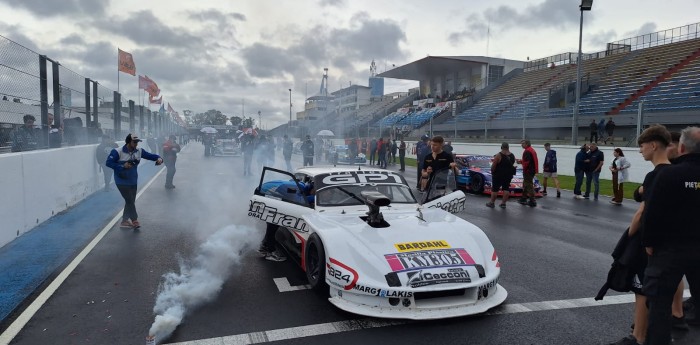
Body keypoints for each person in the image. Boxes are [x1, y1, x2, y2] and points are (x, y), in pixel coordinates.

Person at [606, 125, 673, 345]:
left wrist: (630, 234)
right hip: (671, 243)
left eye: (642, 146)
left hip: (649, 242)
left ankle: (639, 337)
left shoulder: (655, 175)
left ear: (654, 145)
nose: (641, 150)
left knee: (641, 289)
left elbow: (642, 212)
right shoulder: (675, 172)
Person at [639, 127, 700, 345]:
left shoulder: (669, 174)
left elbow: (653, 213)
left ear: (682, 147)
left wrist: (649, 243)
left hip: (671, 249)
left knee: (659, 303)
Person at [106, 134, 162, 229]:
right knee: (130, 200)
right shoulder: (117, 151)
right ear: (128, 141)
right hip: (121, 181)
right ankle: (134, 220)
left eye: (137, 142)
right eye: (134, 142)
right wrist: (122, 166)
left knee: (130, 201)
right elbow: (108, 163)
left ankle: (124, 221)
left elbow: (149, 155)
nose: (136, 144)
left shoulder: (139, 151)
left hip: (133, 180)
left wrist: (159, 158)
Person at [486, 142, 515, 209]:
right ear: (508, 147)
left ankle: (492, 203)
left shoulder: (499, 155)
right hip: (508, 175)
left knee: (495, 189)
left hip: (498, 174)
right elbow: (512, 164)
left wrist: (492, 172)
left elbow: (494, 165)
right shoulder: (512, 155)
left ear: (501, 147)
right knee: (506, 188)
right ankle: (503, 203)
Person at [518, 140, 538, 207]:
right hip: (532, 170)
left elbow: (527, 163)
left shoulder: (527, 151)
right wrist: (521, 161)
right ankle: (523, 198)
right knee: (525, 183)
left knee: (528, 184)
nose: (521, 145)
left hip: (528, 171)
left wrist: (522, 164)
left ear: (527, 144)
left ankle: (532, 200)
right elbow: (529, 161)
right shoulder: (531, 150)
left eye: (523, 143)